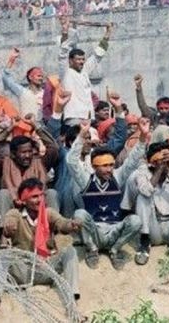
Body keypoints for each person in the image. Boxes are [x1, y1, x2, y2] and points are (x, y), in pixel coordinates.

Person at [0, 178, 82, 319]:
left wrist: (71, 225)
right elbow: (8, 225)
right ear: (24, 200)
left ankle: (73, 306)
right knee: (2, 255)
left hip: (45, 267)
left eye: (41, 195)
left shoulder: (48, 213)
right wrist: (8, 230)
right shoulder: (14, 213)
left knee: (70, 251)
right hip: (22, 270)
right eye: (34, 196)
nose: (39, 199)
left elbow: (62, 223)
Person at [67, 116, 147, 270]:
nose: (109, 169)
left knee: (136, 221)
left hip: (114, 230)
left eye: (111, 165)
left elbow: (133, 159)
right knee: (79, 214)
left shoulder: (118, 176)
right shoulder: (86, 180)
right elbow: (72, 162)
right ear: (94, 166)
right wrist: (81, 136)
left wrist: (142, 137)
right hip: (94, 231)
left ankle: (115, 250)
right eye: (104, 166)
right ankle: (92, 249)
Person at [122, 142, 169, 265]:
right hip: (152, 228)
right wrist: (159, 170)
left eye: (167, 158)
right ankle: (144, 242)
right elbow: (147, 191)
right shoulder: (140, 173)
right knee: (143, 198)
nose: (165, 163)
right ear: (152, 162)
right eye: (161, 159)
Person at [61, 24, 112, 124]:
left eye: (83, 59)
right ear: (71, 61)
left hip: (88, 117)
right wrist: (65, 32)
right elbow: (63, 51)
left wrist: (108, 33)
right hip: (74, 117)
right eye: (78, 59)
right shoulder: (66, 71)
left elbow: (98, 55)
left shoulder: (84, 70)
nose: (81, 62)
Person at [2, 48, 45, 119]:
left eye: (42, 76)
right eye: (38, 76)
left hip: (42, 127)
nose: (41, 78)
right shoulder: (22, 92)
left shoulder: (45, 93)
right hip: (25, 127)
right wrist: (12, 60)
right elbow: (6, 78)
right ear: (30, 77)